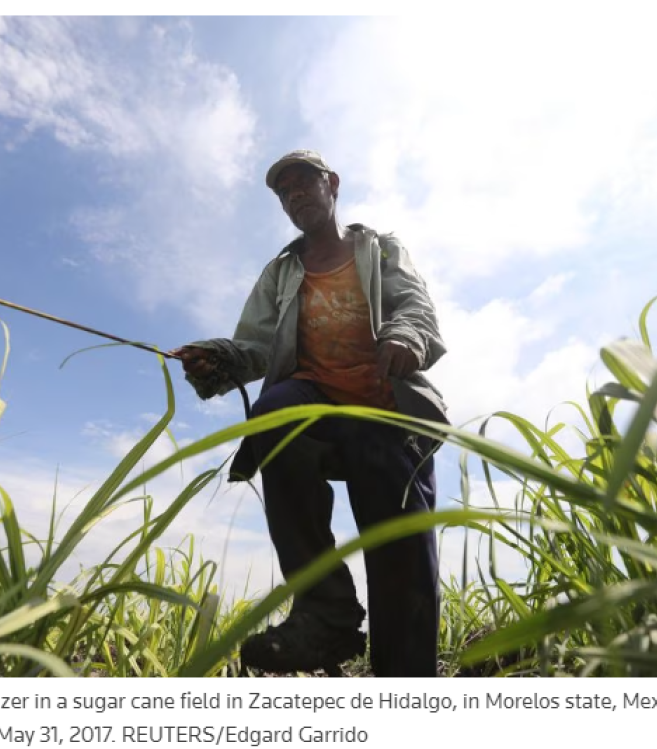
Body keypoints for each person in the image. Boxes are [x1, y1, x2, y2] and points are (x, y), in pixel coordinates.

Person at [170, 149, 449, 677]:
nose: (294, 195)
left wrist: (405, 336)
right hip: (315, 407)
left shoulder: (381, 249)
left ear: (332, 185)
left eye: (303, 183)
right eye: (284, 192)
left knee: (402, 553)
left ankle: (408, 688)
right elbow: (252, 346)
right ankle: (326, 614)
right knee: (274, 411)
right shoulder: (280, 273)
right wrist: (219, 358)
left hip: (385, 415)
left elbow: (416, 307)